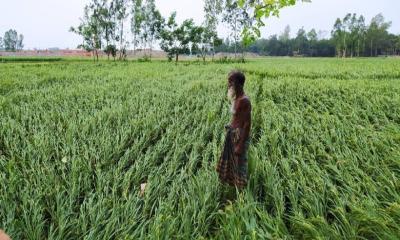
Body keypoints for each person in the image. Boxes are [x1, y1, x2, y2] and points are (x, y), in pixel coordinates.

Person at [217, 70, 252, 189]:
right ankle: (233, 186)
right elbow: (237, 118)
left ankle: (242, 192)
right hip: (232, 134)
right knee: (231, 162)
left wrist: (240, 145)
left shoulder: (244, 100)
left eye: (231, 81)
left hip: (239, 136)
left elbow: (247, 124)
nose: (229, 84)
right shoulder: (236, 98)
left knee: (239, 164)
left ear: (238, 83)